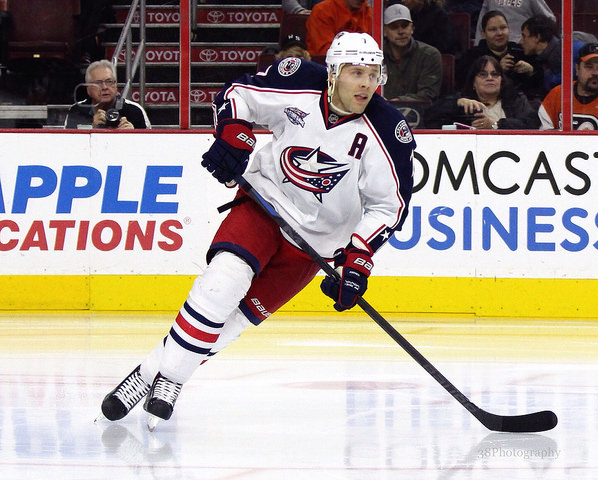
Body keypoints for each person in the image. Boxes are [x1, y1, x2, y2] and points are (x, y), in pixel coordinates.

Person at [97, 32, 415, 429]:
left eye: (373, 74)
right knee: (220, 287)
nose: (367, 84)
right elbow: (238, 95)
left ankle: (153, 375)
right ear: (333, 73)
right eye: (356, 73)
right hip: (264, 205)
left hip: (314, 245)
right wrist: (234, 134)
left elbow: (389, 205)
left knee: (235, 324)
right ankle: (167, 379)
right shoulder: (299, 78)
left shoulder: (388, 130)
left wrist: (358, 258)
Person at [425, 55, 540, 129]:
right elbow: (428, 118)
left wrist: (496, 125)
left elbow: (532, 123)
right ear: (473, 82)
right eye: (483, 74)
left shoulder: (515, 99)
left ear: (501, 80)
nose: (490, 78)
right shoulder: (463, 102)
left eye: (495, 74)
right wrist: (456, 103)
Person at [455, 10, 539, 96]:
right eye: (493, 29)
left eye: (503, 28)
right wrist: (497, 70)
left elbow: (539, 84)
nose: (499, 33)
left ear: (509, 29)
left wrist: (531, 71)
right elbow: (464, 84)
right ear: (483, 34)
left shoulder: (522, 51)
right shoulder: (472, 56)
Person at [64, 60, 151, 129]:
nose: (105, 87)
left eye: (109, 82)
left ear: (116, 85)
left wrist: (134, 135)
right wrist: (91, 130)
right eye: (98, 83)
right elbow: (69, 146)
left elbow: (149, 147)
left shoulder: (135, 111)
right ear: (88, 89)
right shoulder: (77, 110)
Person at [383, 3, 442, 103]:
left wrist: (393, 102)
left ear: (412, 29)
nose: (401, 31)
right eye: (394, 27)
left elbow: (428, 95)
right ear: (384, 31)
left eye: (405, 26)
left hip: (419, 113)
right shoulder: (376, 55)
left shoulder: (430, 55)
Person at [305, 0, 372, 56]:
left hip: (363, 64)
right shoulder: (322, 11)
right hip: (323, 65)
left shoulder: (368, 12)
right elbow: (325, 51)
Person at [474, 0, 555, 45]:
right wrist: (477, 46)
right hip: (495, 48)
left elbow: (549, 20)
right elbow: (482, 23)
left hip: (522, 49)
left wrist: (533, 40)